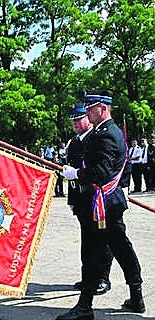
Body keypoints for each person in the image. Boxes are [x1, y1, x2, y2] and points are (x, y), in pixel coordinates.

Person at [57, 90, 145, 320]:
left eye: (89, 108)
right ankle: (136, 296)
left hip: (101, 204)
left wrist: (76, 174)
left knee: (92, 252)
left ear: (102, 108)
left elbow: (101, 173)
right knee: (121, 248)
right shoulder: (103, 131)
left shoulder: (107, 134)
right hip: (107, 203)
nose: (86, 112)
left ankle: (85, 305)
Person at [67, 103, 112, 295]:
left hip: (97, 198)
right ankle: (89, 277)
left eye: (78, 119)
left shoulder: (98, 138)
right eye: (73, 121)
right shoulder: (73, 143)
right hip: (81, 199)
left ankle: (103, 278)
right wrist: (72, 199)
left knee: (102, 240)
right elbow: (70, 171)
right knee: (87, 241)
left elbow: (113, 165)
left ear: (87, 118)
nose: (75, 124)